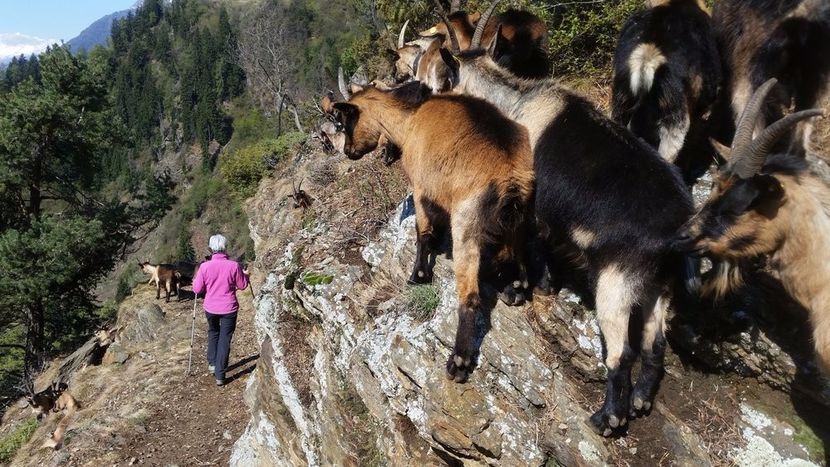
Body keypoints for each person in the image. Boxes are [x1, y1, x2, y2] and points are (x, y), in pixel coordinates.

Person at [192, 234, 249, 386]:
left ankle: (212, 364)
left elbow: (197, 289)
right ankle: (220, 374)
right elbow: (242, 285)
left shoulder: (204, 267)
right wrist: (246, 276)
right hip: (229, 308)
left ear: (211, 249)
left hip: (210, 307)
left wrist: (194, 281)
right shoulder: (234, 265)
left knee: (213, 332)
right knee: (225, 337)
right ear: (225, 247)